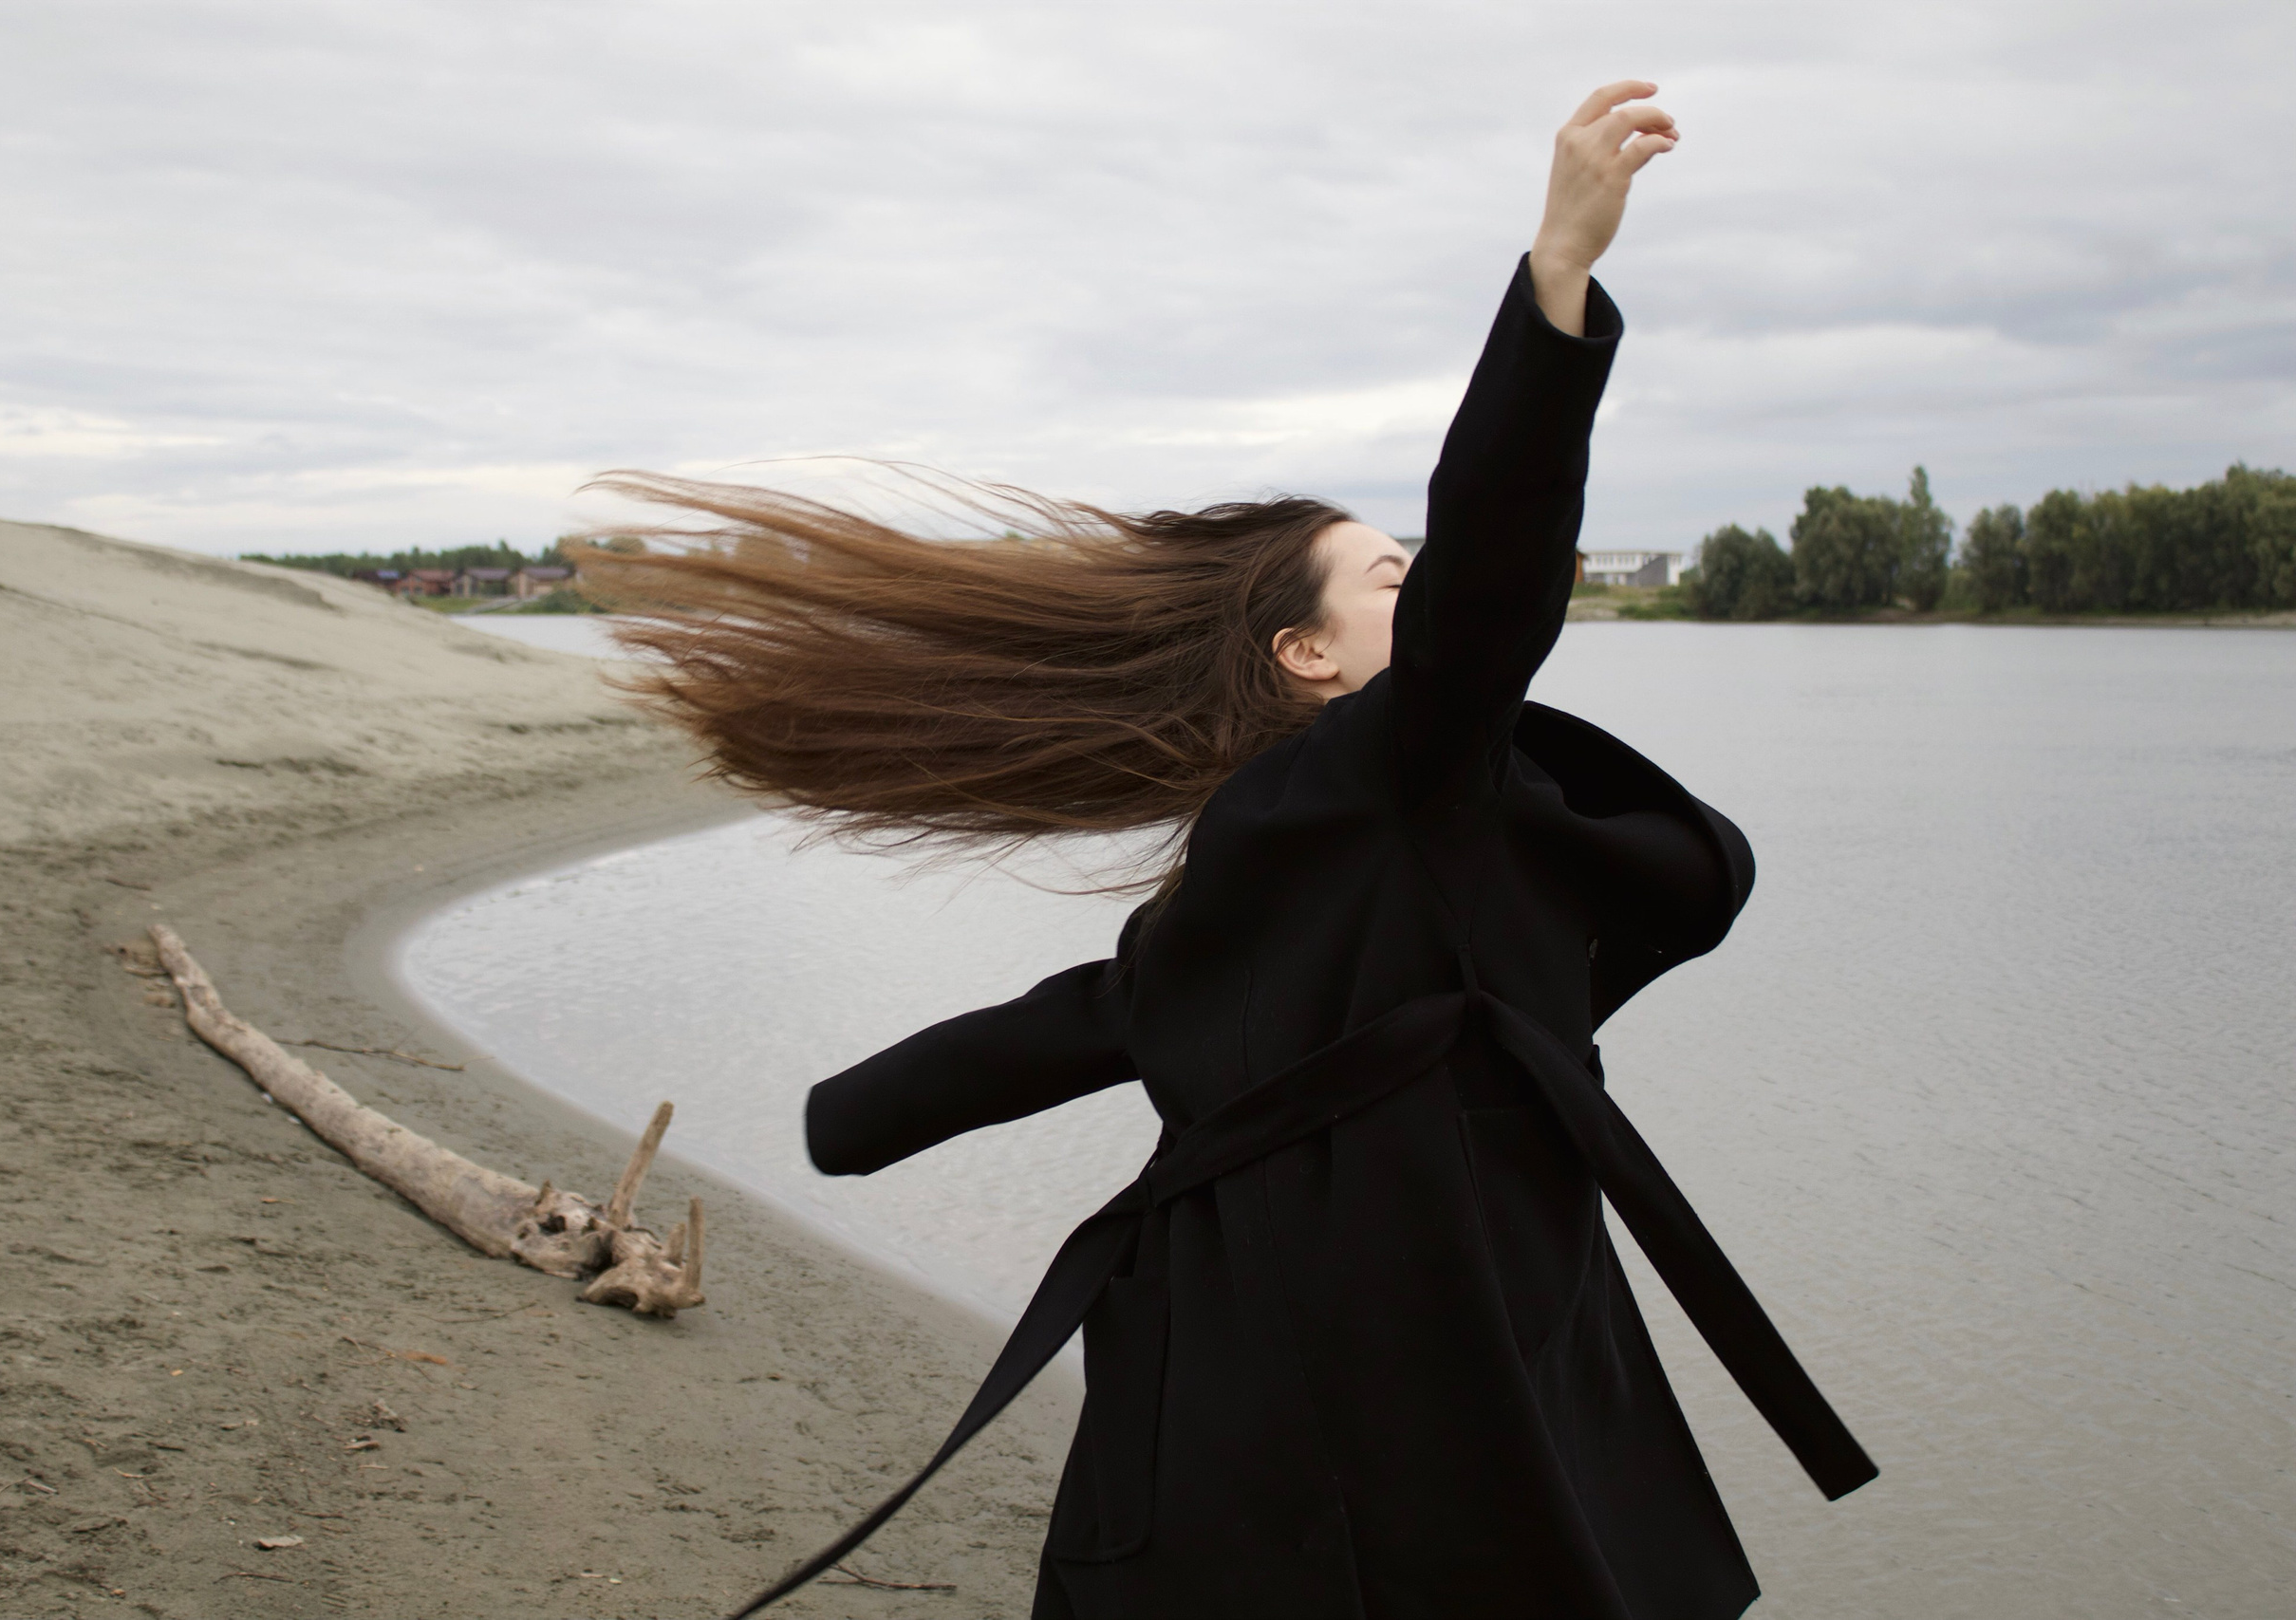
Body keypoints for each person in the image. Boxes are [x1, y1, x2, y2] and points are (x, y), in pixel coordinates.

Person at [588, 81, 1874, 1620]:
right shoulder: (1395, 775)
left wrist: (851, 1116)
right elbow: (1500, 572)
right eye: (1392, 577)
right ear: (1307, 658)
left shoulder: (1276, 833)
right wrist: (1555, 285)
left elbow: (1096, 1014)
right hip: (1417, 1325)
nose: (1431, 595)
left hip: (1238, 1337)